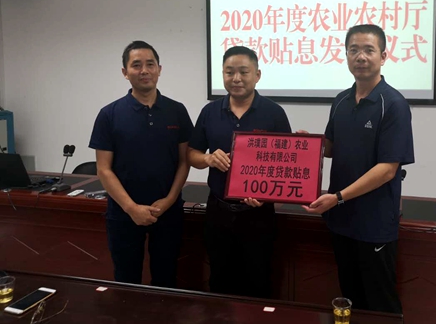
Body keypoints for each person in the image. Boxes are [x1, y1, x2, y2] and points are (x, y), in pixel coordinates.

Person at [303, 24, 414, 314]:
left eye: (368, 50)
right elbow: (332, 147)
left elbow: (387, 169)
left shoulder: (394, 104)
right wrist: (306, 145)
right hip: (341, 220)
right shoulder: (341, 100)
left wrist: (338, 197)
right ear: (346, 55)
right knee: (350, 295)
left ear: (383, 56)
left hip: (374, 222)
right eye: (353, 50)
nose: (360, 57)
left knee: (379, 303)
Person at [188, 46, 291, 299]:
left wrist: (266, 195)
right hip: (218, 211)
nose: (236, 78)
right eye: (229, 72)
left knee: (258, 283)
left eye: (244, 72)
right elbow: (191, 154)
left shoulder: (274, 113)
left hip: (258, 214)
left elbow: (287, 166)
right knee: (219, 281)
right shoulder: (209, 112)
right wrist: (208, 159)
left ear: (257, 75)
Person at [89, 40, 193, 287]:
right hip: (123, 213)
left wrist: (169, 200)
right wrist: (131, 208)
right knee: (126, 281)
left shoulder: (177, 111)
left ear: (159, 69)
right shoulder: (109, 114)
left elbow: (184, 161)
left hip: (167, 211)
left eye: (150, 64)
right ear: (125, 72)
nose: (144, 70)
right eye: (136, 65)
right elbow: (103, 168)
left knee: (166, 278)